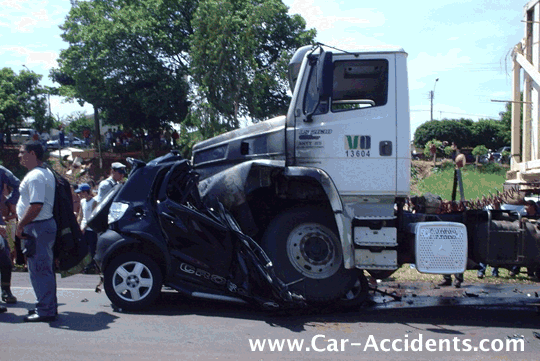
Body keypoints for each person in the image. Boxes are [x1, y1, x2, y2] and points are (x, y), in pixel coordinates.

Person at [16, 140, 58, 322]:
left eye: (21, 152)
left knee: (39, 270)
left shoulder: (35, 177)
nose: (19, 156)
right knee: (43, 269)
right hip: (41, 226)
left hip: (37, 227)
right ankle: (46, 306)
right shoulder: (45, 173)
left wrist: (20, 225)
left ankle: (45, 311)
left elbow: (36, 206)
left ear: (32, 154)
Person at [0, 166, 20, 306]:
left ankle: (6, 290)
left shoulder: (1, 171)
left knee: (6, 260)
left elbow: (18, 185)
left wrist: (10, 201)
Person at [510, 200, 540, 277]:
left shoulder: (538, 214)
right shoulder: (524, 215)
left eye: (527, 205)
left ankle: (531, 272)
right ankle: (515, 269)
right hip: (526, 237)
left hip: (536, 238)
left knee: (533, 254)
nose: (525, 207)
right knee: (522, 251)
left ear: (532, 206)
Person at [76, 183, 98, 274]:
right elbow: (81, 215)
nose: (79, 195)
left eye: (81, 192)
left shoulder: (94, 202)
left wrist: (85, 227)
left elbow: (92, 217)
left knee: (91, 249)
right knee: (83, 248)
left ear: (85, 192)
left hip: (90, 229)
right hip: (83, 228)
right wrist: (78, 225)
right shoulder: (82, 201)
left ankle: (91, 266)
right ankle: (83, 265)